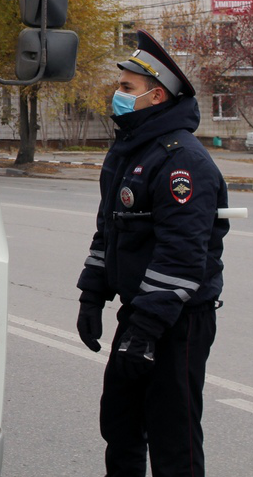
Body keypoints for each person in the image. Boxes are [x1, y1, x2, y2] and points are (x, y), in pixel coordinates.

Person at [75, 29, 228, 477]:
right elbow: (110, 232)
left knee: (172, 439)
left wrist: (144, 332)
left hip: (175, 323)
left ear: (156, 95)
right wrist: (92, 296)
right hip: (139, 314)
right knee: (120, 427)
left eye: (126, 89)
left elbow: (181, 259)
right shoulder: (129, 151)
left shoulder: (183, 162)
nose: (116, 96)